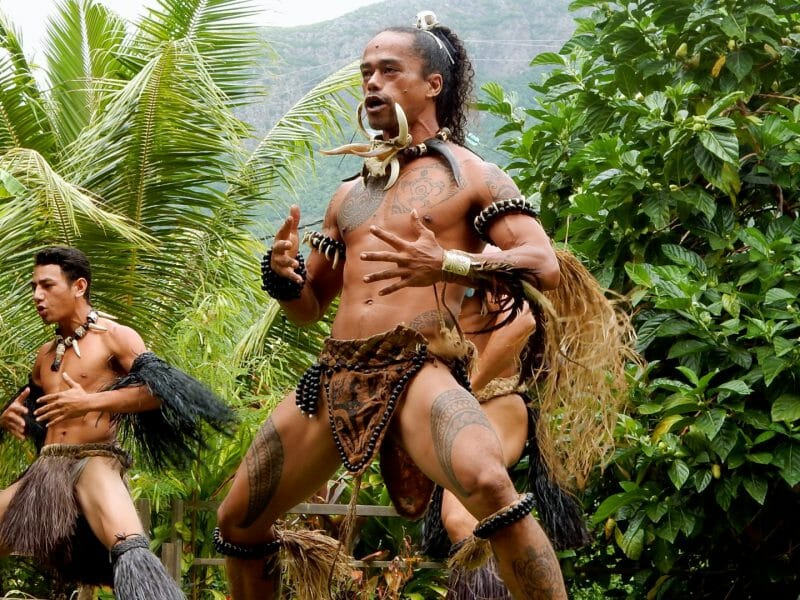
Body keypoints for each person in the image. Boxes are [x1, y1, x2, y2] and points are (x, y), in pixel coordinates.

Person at [216, 11, 569, 600]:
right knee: (236, 521)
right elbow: (309, 308)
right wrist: (282, 278)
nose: (371, 83)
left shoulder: (477, 176)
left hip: (416, 367)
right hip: (335, 375)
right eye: (365, 73)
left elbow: (544, 265)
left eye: (388, 70)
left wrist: (451, 265)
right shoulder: (347, 195)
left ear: (433, 84)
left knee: (490, 487)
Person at [0, 246, 234, 599]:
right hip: (46, 472)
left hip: (95, 462)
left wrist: (90, 401)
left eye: (47, 286)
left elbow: (161, 392)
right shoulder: (46, 355)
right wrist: (9, 418)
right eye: (34, 287)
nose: (37, 296)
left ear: (79, 286)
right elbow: (34, 409)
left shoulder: (114, 337)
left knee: (132, 554)